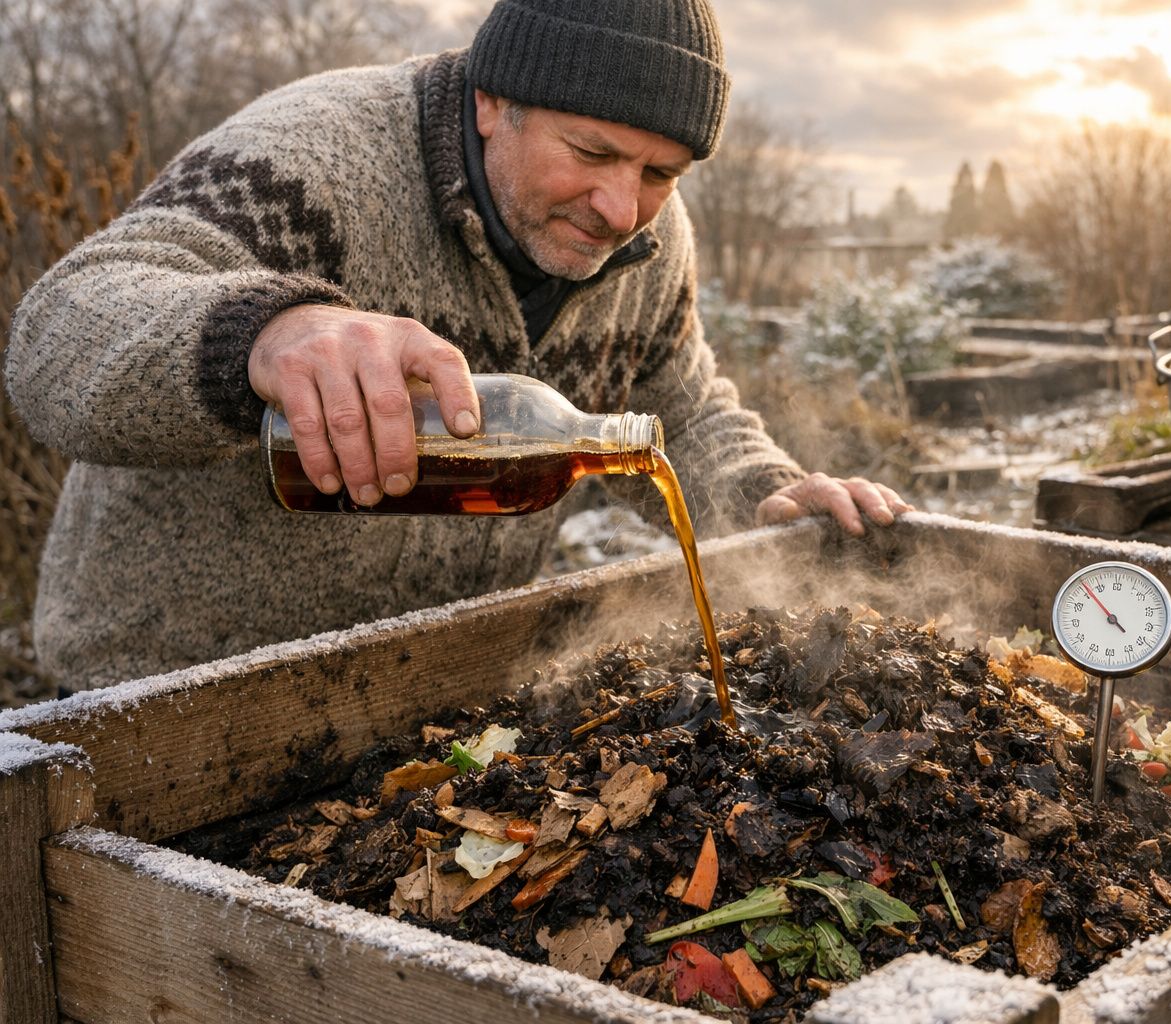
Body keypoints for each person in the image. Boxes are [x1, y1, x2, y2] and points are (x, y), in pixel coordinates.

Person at [5, 0, 911, 692]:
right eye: (591, 152)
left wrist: (764, 490)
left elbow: (679, 404)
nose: (621, 209)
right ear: (491, 101)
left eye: (660, 173)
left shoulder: (647, 241)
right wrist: (267, 331)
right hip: (169, 688)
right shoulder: (311, 162)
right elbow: (57, 333)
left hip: (434, 687)